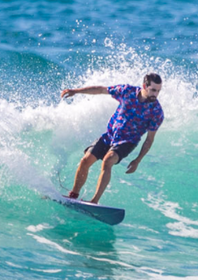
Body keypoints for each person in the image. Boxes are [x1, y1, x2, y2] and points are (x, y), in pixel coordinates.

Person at [60, 73, 164, 204]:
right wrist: (76, 91)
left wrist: (137, 160)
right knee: (85, 160)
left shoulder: (156, 112)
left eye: (159, 91)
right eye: (153, 90)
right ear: (144, 86)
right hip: (110, 136)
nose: (156, 94)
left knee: (107, 161)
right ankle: (73, 195)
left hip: (127, 142)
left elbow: (149, 140)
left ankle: (94, 201)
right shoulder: (127, 91)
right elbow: (101, 89)